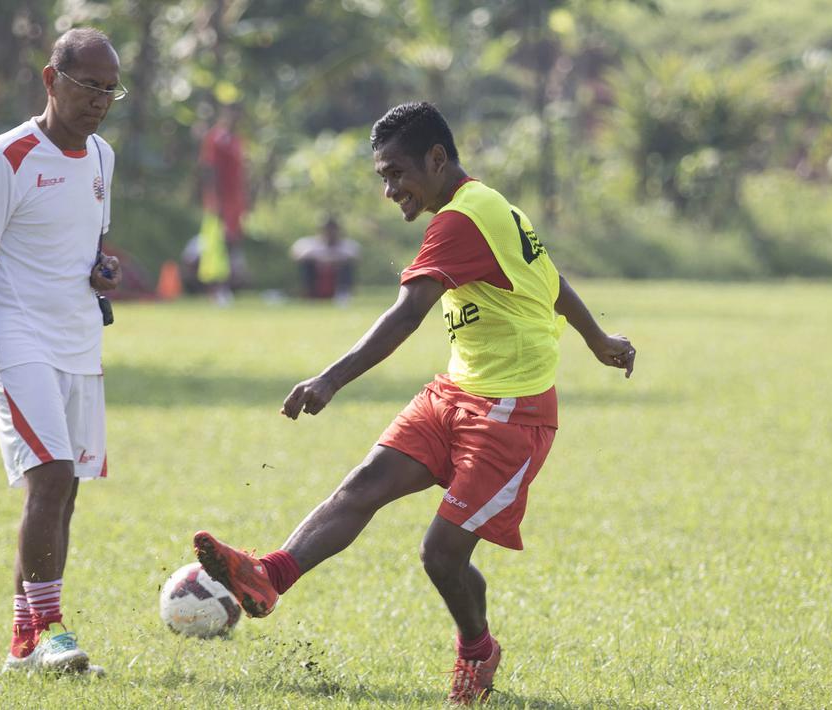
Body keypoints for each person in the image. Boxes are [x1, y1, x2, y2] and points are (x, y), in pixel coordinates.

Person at [192, 102, 637, 704]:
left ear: (436, 158)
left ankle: (478, 649)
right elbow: (553, 282)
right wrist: (599, 340)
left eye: (397, 173)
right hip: (456, 393)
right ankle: (268, 576)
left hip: (511, 415)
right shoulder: (491, 204)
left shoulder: (462, 219)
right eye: (381, 176)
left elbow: (408, 313)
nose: (389, 189)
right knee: (362, 486)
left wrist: (329, 379)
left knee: (440, 555)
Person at [0, 27, 124, 677]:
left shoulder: (102, 156)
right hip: (16, 337)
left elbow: (92, 247)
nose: (100, 101)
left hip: (80, 340)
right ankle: (50, 632)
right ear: (52, 81)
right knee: (48, 477)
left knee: (64, 490)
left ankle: (24, 645)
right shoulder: (6, 156)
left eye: (111, 90)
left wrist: (103, 271)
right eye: (88, 87)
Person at [198, 102, 248, 297]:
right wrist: (215, 199)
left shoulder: (237, 140)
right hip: (220, 200)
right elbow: (209, 169)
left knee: (232, 242)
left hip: (236, 200)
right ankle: (215, 288)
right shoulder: (216, 138)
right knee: (217, 245)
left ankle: (228, 287)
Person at [290, 216, 360, 302]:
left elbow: (355, 258)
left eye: (333, 229)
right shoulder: (309, 243)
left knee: (347, 265)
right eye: (327, 229)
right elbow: (296, 256)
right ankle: (309, 292)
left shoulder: (347, 244)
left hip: (336, 277)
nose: (330, 232)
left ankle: (343, 294)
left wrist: (332, 261)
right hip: (316, 277)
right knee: (307, 265)